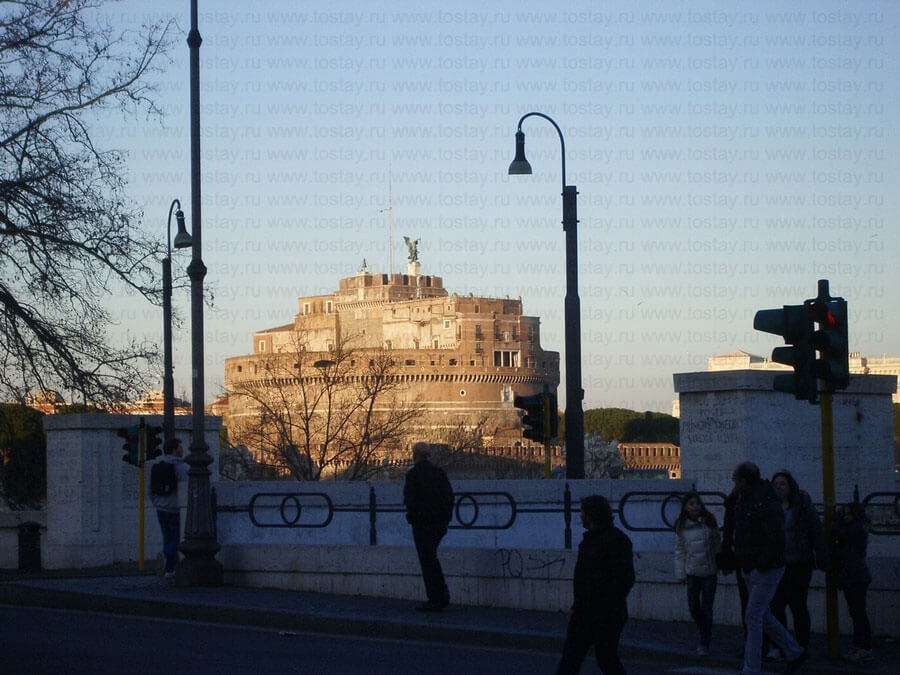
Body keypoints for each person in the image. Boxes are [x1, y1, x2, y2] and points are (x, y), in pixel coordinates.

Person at [731, 461, 807, 675]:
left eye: (735, 479)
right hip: (752, 564)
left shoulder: (765, 501)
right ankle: (794, 651)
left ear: (744, 481)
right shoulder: (746, 498)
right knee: (761, 615)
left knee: (753, 615)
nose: (733, 483)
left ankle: (752, 667)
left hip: (765, 566)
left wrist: (762, 562)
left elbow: (775, 537)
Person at [557, 495, 635, 675]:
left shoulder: (601, 541)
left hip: (596, 612)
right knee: (605, 658)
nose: (580, 516)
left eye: (582, 513)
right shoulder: (611, 539)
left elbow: (619, 579)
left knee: (574, 660)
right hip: (599, 612)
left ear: (590, 516)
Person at [769, 471, 826, 655]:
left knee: (798, 605)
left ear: (790, 485)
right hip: (778, 563)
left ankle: (802, 645)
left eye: (782, 483)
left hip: (800, 562)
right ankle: (782, 645)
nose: (779, 487)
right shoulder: (771, 506)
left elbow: (816, 530)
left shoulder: (801, 505)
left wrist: (821, 554)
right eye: (776, 483)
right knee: (776, 605)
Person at [403, 441, 453, 612]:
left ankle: (437, 598)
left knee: (428, 561)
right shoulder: (439, 473)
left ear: (414, 455)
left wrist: (413, 518)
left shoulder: (413, 475)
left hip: (422, 525)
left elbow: (409, 501)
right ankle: (441, 596)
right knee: (431, 559)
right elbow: (449, 498)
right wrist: (446, 520)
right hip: (439, 524)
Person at [674, 492, 722, 656]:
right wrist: (680, 572)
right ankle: (705, 631)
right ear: (685, 507)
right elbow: (680, 550)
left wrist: (719, 561)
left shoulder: (709, 522)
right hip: (692, 571)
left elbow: (717, 543)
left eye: (697, 504)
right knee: (694, 606)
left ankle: (704, 641)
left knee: (706, 607)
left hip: (709, 571)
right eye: (691, 504)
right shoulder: (681, 526)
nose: (695, 507)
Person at [833, 502, 873, 663]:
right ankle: (860, 645)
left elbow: (839, 533)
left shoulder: (858, 529)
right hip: (853, 576)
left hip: (856, 576)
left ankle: (865, 647)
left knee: (858, 614)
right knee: (856, 613)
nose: (846, 517)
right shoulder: (858, 527)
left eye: (848, 514)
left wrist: (836, 520)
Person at [150, 437, 188, 579]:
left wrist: (156, 502)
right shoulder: (181, 467)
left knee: (167, 538)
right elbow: (185, 489)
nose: (182, 449)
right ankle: (170, 568)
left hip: (160, 508)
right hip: (174, 508)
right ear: (175, 449)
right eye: (180, 447)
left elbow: (151, 489)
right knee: (176, 539)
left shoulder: (158, 465)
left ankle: (169, 568)